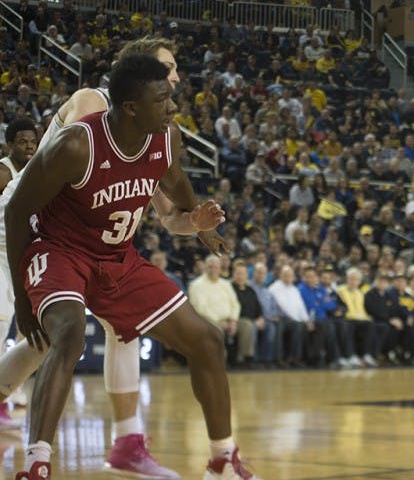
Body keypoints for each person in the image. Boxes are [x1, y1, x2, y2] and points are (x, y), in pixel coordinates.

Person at [5, 54, 260, 480]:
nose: (173, 106)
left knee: (207, 340)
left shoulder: (166, 138)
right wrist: (23, 299)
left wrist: (198, 224)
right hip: (60, 249)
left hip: (117, 258)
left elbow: (178, 189)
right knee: (67, 337)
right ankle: (37, 464)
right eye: (162, 98)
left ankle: (222, 459)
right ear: (130, 107)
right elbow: (16, 211)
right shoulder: (76, 145)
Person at [0, 118, 38, 429]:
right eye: (22, 141)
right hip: (0, 256)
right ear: (9, 144)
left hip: (25, 258)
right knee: (0, 326)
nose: (28, 146)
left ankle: (10, 393)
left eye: (32, 141)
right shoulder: (3, 172)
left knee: (27, 330)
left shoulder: (40, 170)